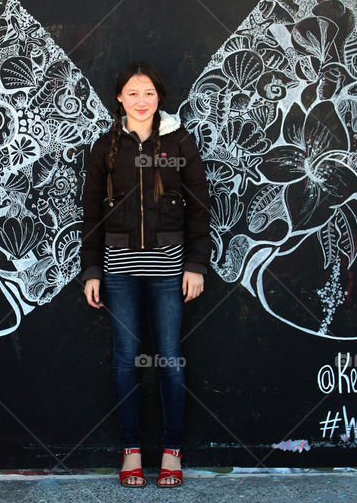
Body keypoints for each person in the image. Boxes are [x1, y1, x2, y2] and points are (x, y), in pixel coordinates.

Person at [81, 60, 211, 488]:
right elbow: (91, 215)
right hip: (119, 273)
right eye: (133, 93)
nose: (142, 101)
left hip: (168, 273)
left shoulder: (180, 143)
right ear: (120, 98)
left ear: (159, 98)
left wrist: (194, 265)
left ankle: (172, 451)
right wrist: (92, 270)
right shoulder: (106, 147)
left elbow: (200, 209)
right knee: (125, 363)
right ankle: (131, 451)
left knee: (170, 361)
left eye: (149, 93)